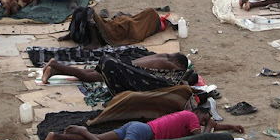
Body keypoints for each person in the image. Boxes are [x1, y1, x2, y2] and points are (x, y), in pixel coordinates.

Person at [41, 108, 245, 140]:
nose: (202, 124)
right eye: (204, 120)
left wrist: (230, 127)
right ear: (200, 114)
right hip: (144, 133)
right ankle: (83, 130)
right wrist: (208, 125)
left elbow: (214, 128)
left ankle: (56, 136)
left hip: (137, 126)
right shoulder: (192, 117)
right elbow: (201, 139)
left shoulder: (189, 117)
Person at [40, 51, 192, 86]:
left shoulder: (164, 55)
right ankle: (55, 65)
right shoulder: (171, 65)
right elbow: (172, 81)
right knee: (88, 77)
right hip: (120, 68)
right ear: (177, 63)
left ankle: (55, 69)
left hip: (120, 61)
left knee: (89, 72)